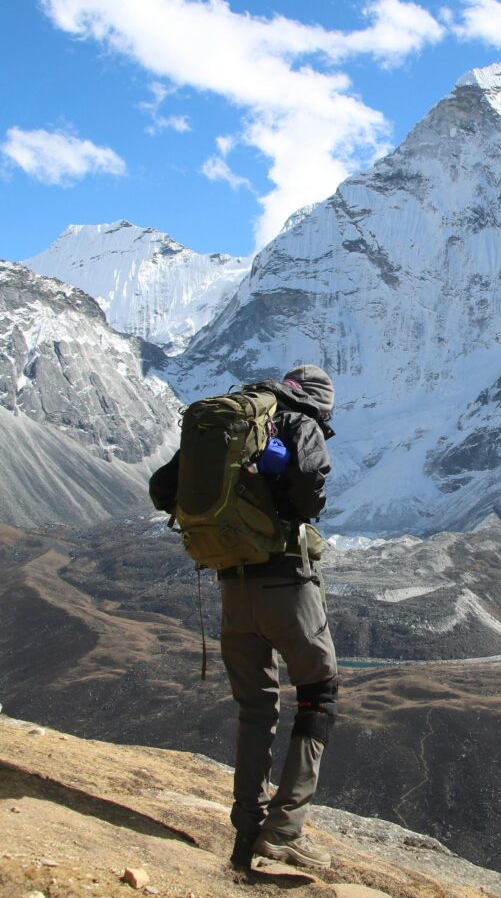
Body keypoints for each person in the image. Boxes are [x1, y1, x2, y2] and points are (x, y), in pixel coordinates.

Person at [149, 364, 338, 872]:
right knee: (319, 692)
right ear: (321, 404)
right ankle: (284, 830)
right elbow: (307, 489)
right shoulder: (302, 424)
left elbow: (162, 489)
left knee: (256, 708)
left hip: (233, 587)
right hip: (286, 584)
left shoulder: (232, 421)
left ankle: (246, 830)